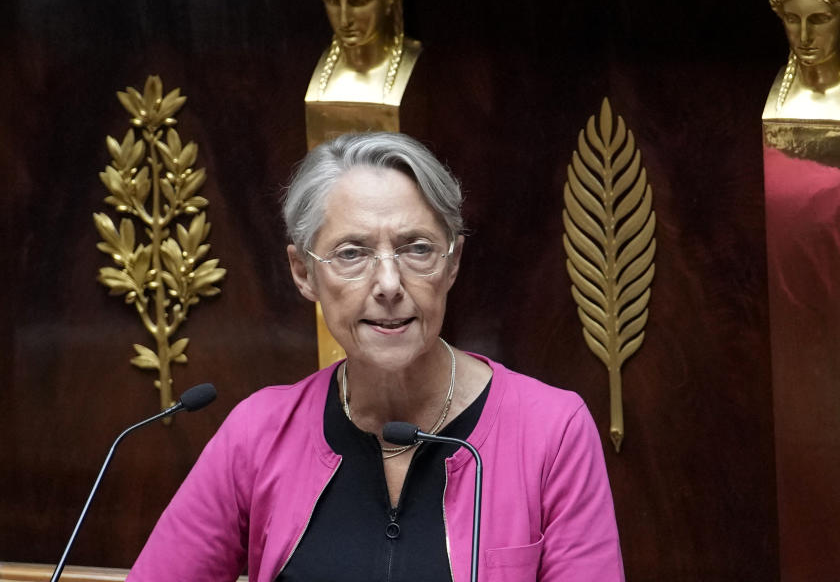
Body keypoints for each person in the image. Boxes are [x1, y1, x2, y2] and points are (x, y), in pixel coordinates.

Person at [127, 132, 625, 582]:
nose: (389, 285)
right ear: (303, 273)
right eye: (352, 253)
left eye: (417, 249)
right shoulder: (259, 433)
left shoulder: (551, 432)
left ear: (452, 264)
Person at [307, 0, 421, 105]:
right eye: (333, 1)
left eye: (358, 2)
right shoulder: (315, 70)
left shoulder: (414, 61)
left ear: (389, 0)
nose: (344, 20)